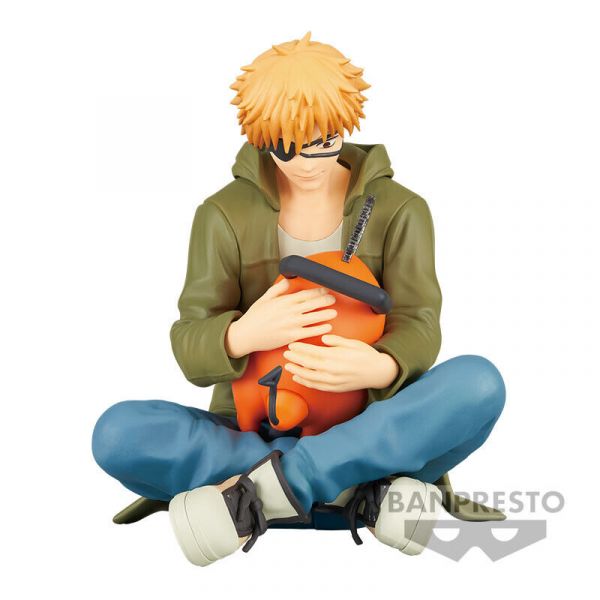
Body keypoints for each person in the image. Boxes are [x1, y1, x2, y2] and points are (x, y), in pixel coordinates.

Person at [92, 32, 506, 566]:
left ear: (345, 122)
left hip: (372, 418)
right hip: (259, 424)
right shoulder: (222, 214)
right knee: (118, 434)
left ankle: (261, 495)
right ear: (261, 135)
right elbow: (189, 345)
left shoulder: (400, 209)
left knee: (478, 384)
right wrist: (242, 335)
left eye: (324, 141)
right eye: (286, 146)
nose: (307, 163)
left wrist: (382, 367)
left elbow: (420, 322)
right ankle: (358, 488)